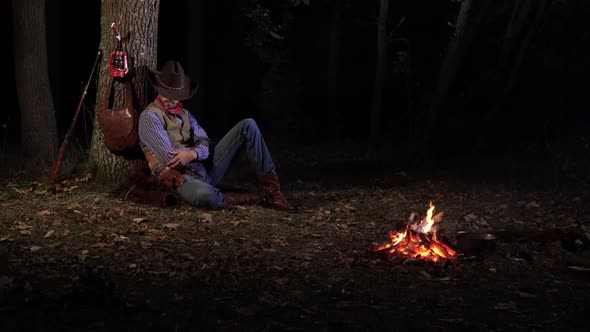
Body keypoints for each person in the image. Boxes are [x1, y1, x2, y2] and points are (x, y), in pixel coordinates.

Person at [138, 60, 291, 210]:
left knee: (248, 125)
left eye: (175, 94)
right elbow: (171, 158)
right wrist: (194, 152)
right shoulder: (150, 117)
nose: (171, 99)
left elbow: (204, 141)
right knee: (205, 196)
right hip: (180, 177)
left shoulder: (186, 114)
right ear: (158, 91)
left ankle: (273, 192)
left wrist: (193, 153)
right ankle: (242, 198)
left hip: (203, 169)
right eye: (167, 94)